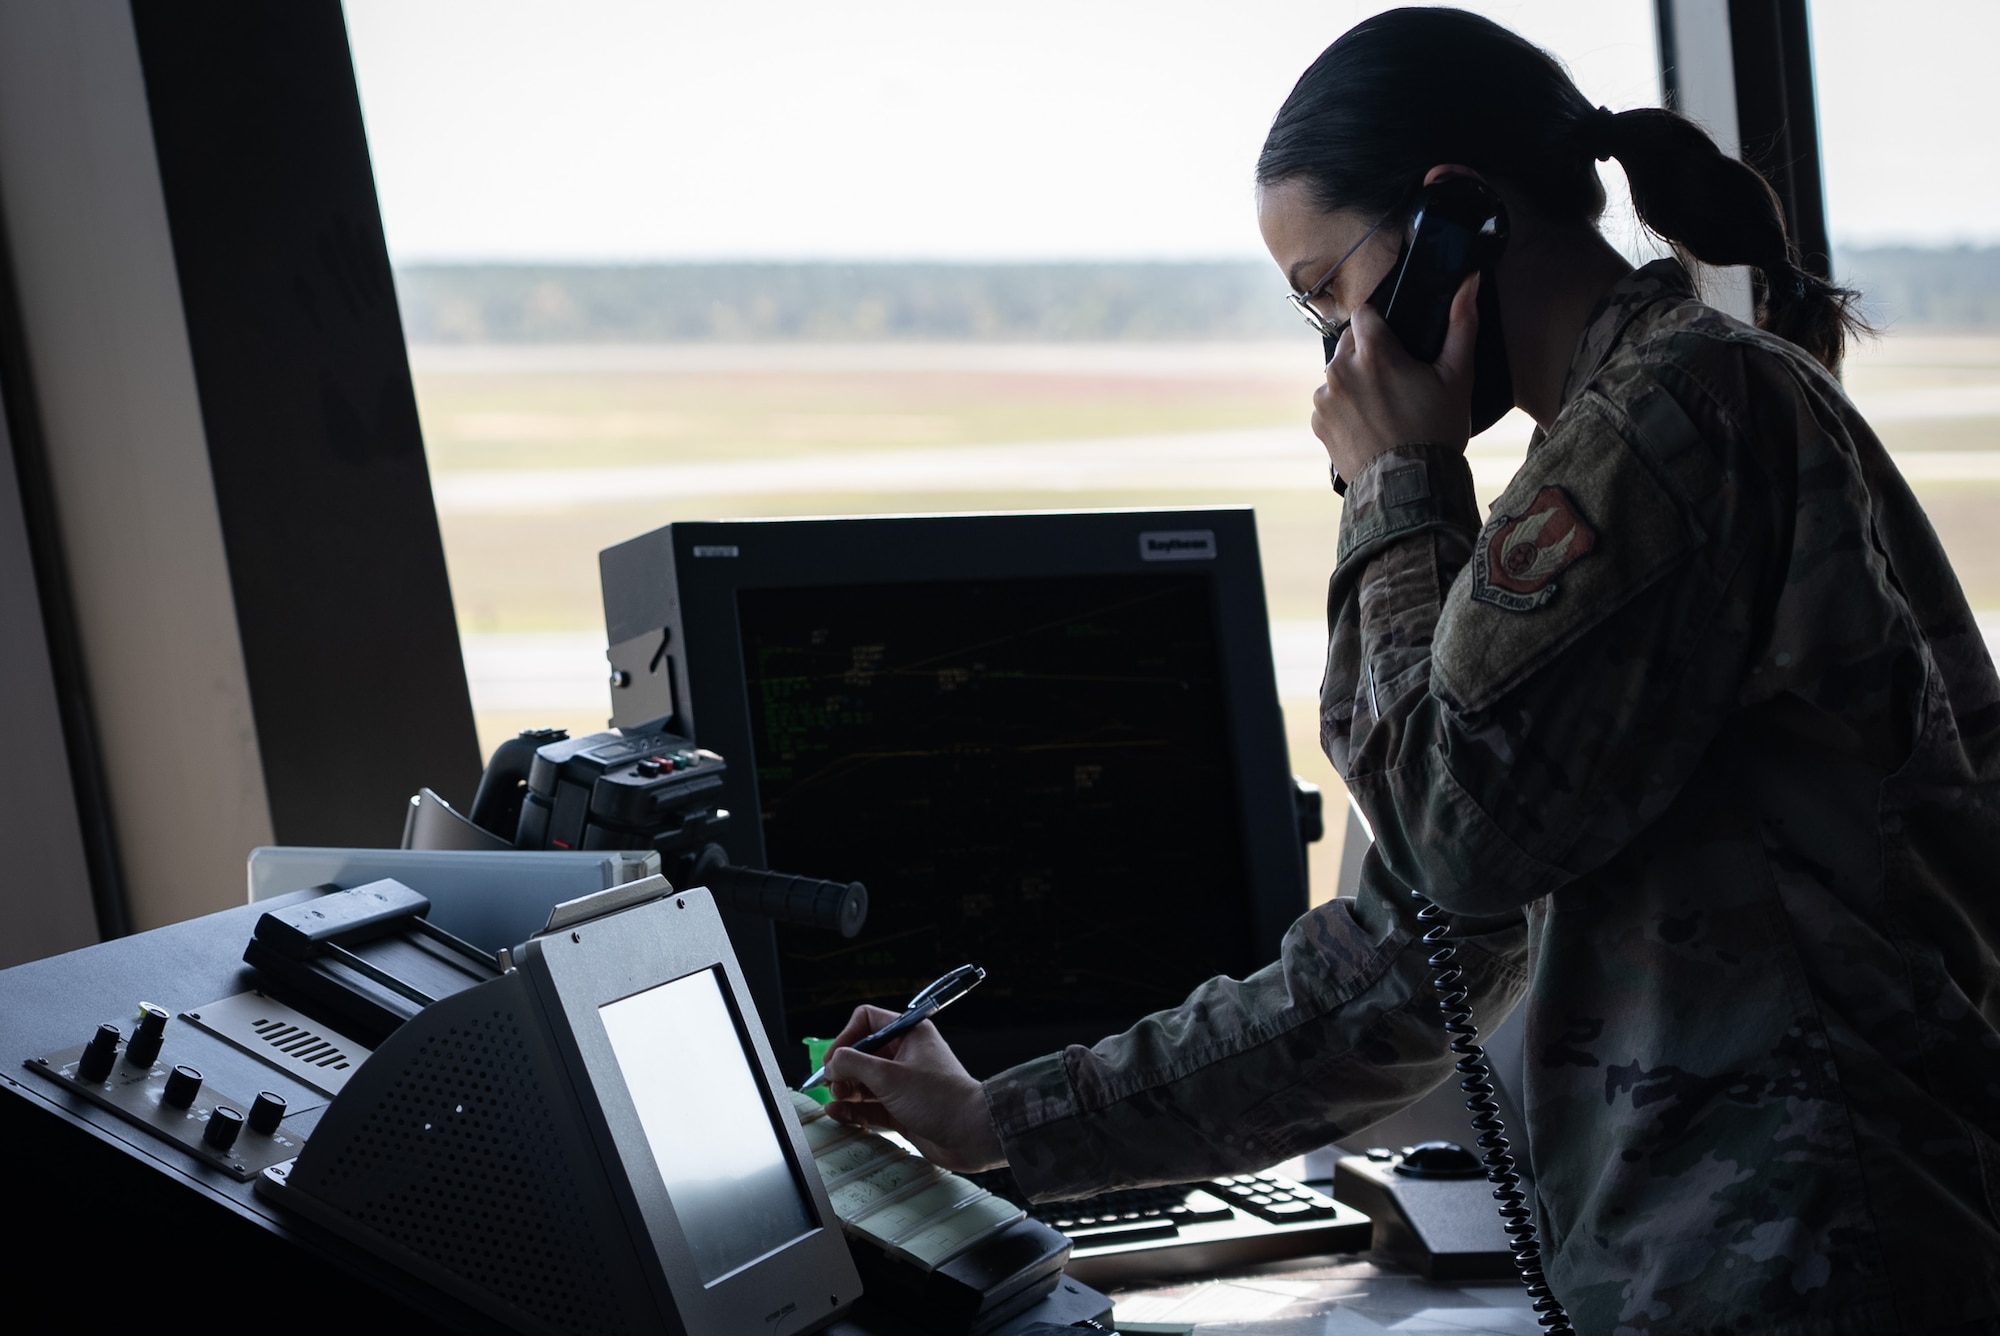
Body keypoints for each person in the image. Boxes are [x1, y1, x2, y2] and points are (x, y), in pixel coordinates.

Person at [818, 9, 2000, 1332]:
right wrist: (997, 1121)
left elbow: (1458, 843)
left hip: (1810, 1275)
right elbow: (1406, 955)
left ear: (1456, 217)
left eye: (1329, 290)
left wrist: (1395, 487)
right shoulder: (1616, 449)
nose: (1334, 356)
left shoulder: (1677, 422)